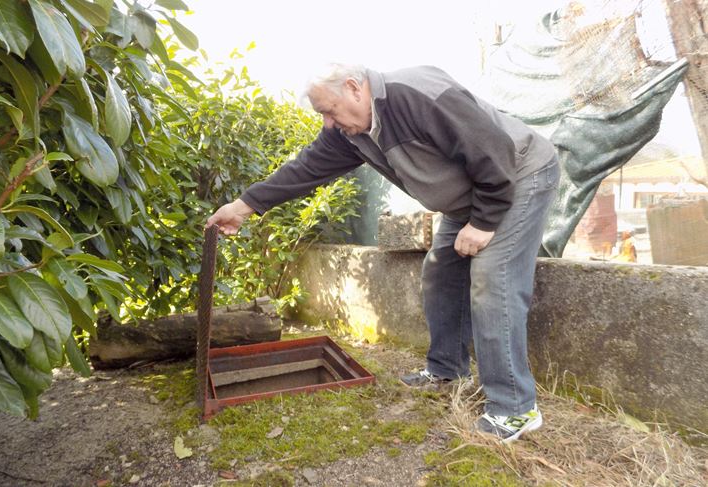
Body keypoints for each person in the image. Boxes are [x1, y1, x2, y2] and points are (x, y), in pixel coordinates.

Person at [206, 64, 560, 443]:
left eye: (330, 110)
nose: (327, 123)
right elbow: (305, 169)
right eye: (321, 114)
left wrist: (485, 221)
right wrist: (243, 206)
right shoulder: (350, 133)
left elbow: (493, 149)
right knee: (440, 272)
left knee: (493, 278)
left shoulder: (416, 93)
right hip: (470, 198)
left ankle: (515, 407)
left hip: (518, 176)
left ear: (355, 88)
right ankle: (447, 369)